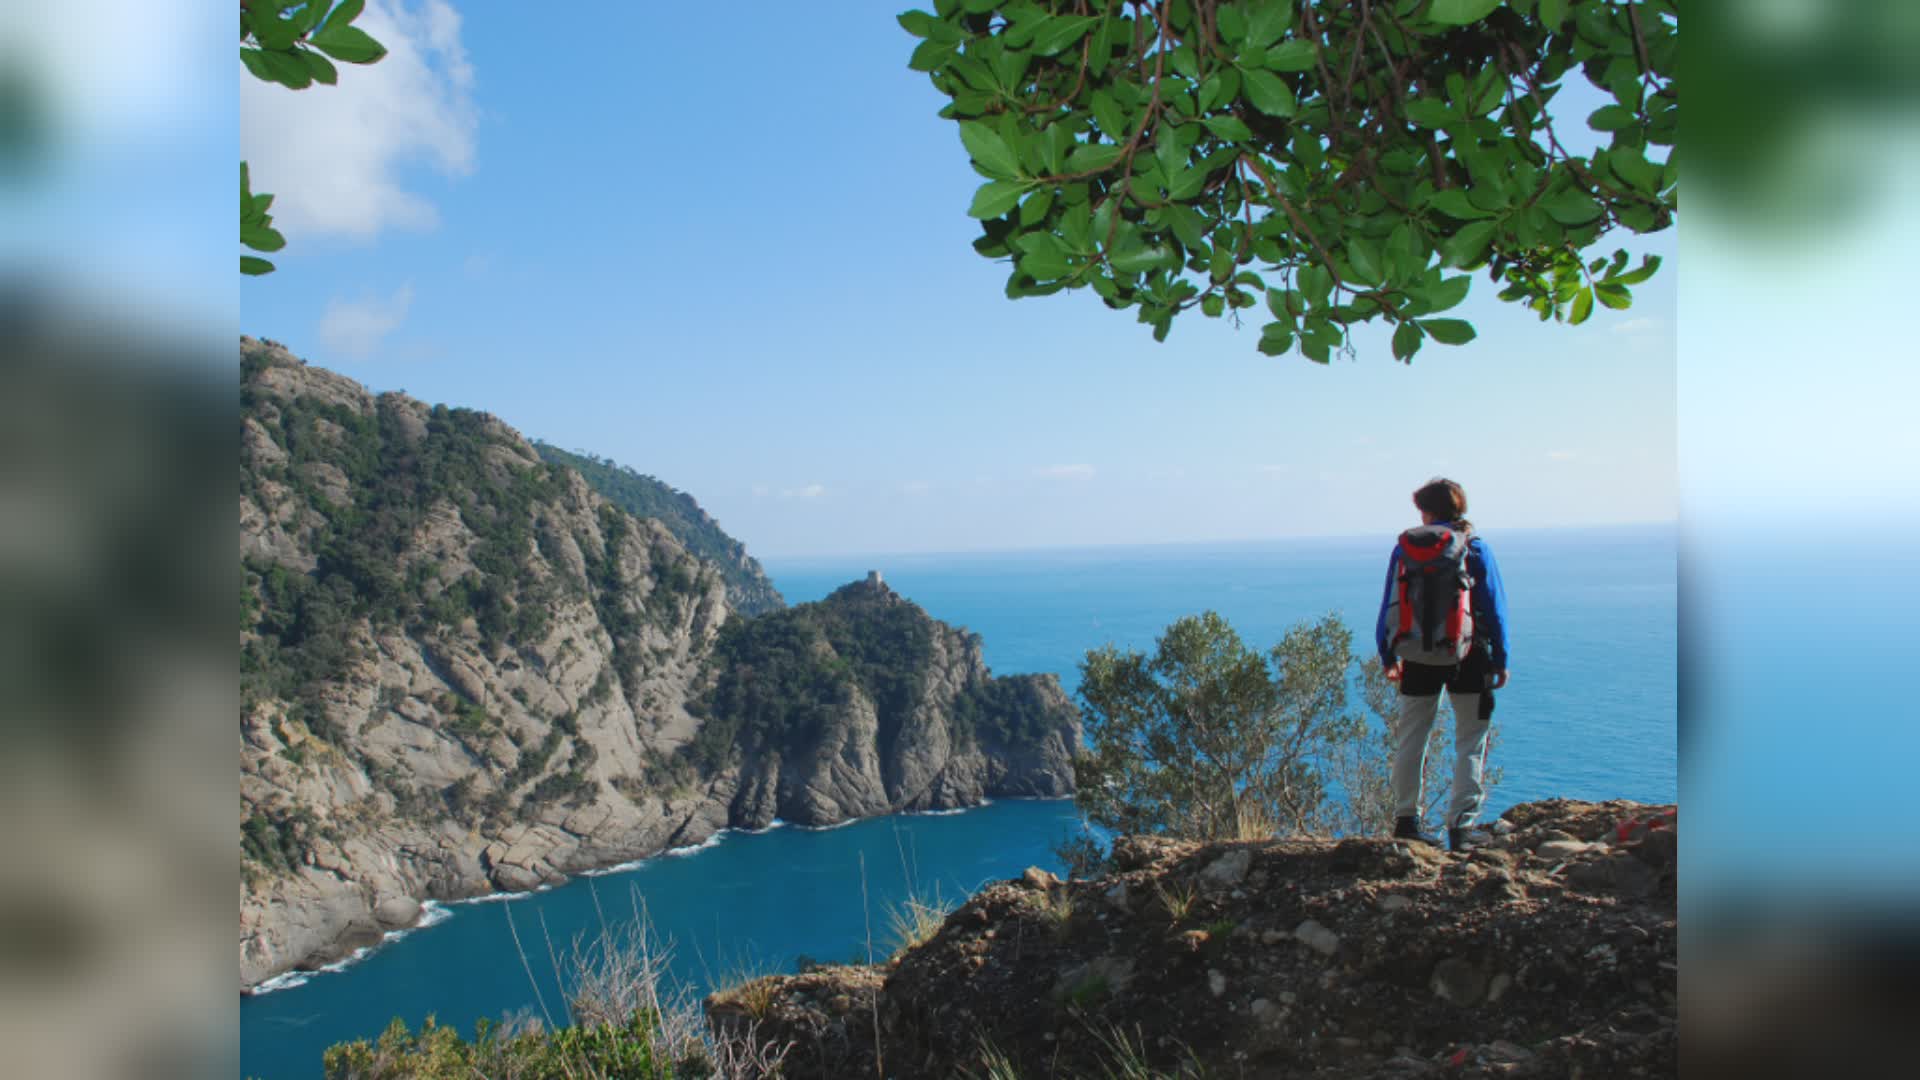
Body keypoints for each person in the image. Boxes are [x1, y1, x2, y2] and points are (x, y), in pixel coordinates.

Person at [1374, 478, 1510, 852]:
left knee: (1412, 738)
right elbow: (1494, 607)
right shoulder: (1475, 548)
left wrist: (1388, 656)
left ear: (1426, 511)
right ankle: (1462, 828)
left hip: (1417, 655)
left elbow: (1389, 603)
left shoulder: (1405, 549)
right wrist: (1501, 658)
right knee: (1470, 740)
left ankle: (1406, 822)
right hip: (1469, 654)